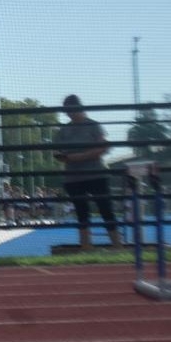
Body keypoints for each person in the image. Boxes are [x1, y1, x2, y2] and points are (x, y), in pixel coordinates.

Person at [53, 94, 124, 250]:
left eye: (72, 110)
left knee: (106, 209)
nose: (70, 114)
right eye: (67, 111)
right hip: (73, 177)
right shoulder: (63, 131)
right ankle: (85, 246)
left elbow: (104, 146)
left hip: (96, 174)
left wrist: (80, 156)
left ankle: (117, 245)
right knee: (81, 212)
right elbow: (56, 152)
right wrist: (68, 158)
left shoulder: (93, 125)